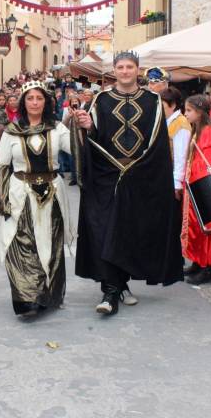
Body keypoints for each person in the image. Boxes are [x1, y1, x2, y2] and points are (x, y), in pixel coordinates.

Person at [73, 51, 183, 316]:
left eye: (129, 67)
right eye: (120, 67)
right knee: (104, 228)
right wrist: (88, 126)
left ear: (137, 70)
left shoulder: (152, 100)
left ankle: (120, 284)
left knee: (128, 230)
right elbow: (96, 137)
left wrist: (143, 171)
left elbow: (156, 140)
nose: (124, 71)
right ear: (114, 70)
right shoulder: (101, 99)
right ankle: (110, 290)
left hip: (139, 174)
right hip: (106, 175)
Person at [0, 80, 73, 317]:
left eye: (39, 98)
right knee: (21, 242)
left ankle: (46, 295)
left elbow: (77, 149)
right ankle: (27, 299)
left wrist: (82, 127)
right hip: (20, 193)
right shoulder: (11, 131)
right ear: (23, 102)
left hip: (53, 193)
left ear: (46, 102)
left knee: (50, 244)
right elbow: (3, 166)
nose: (35, 103)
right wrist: (2, 199)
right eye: (30, 98)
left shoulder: (57, 128)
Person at [182, 94, 211, 285]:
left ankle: (206, 267)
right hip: (194, 183)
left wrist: (197, 183)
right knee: (195, 227)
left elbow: (206, 161)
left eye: (189, 110)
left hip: (201, 184)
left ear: (199, 112)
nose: (186, 114)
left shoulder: (207, 131)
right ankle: (197, 262)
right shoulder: (198, 129)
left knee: (204, 228)